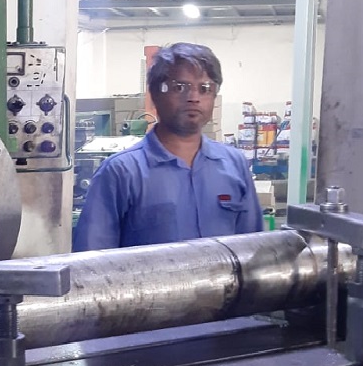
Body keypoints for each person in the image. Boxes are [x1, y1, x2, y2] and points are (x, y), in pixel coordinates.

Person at [74, 43, 262, 251]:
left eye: (205, 89)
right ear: (156, 94)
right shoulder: (121, 173)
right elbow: (91, 260)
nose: (194, 98)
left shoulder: (234, 164)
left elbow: (253, 251)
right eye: (179, 87)